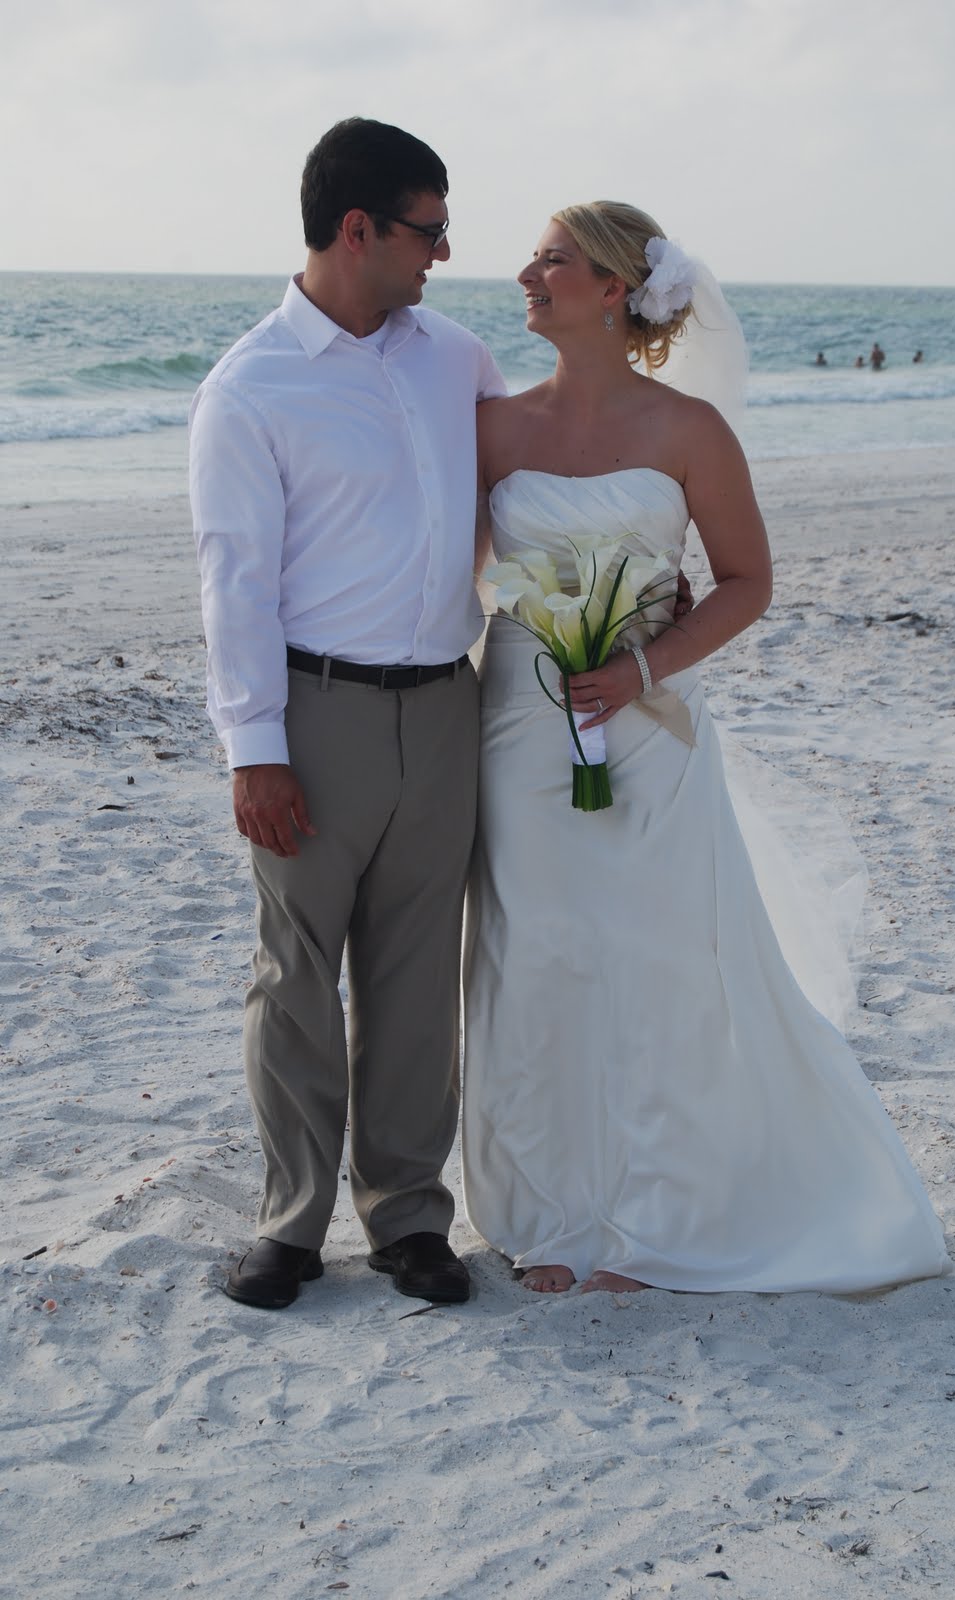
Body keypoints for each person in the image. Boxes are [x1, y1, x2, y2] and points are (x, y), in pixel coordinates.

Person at [461, 201, 950, 1295]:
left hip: (647, 728)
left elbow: (749, 581)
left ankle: (656, 1215)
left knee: (658, 959)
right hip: (520, 725)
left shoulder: (690, 432)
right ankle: (549, 1213)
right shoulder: (493, 427)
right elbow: (443, 572)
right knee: (531, 952)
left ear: (615, 289)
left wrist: (644, 666)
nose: (528, 273)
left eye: (555, 260)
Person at [189, 117, 508, 1310]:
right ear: (359, 228)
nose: (441, 252)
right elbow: (234, 582)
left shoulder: (455, 357)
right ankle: (289, 1223)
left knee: (420, 975)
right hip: (312, 713)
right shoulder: (249, 387)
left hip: (445, 709)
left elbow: (532, 477)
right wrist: (253, 750)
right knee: (296, 971)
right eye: (428, 229)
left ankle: (409, 1218)